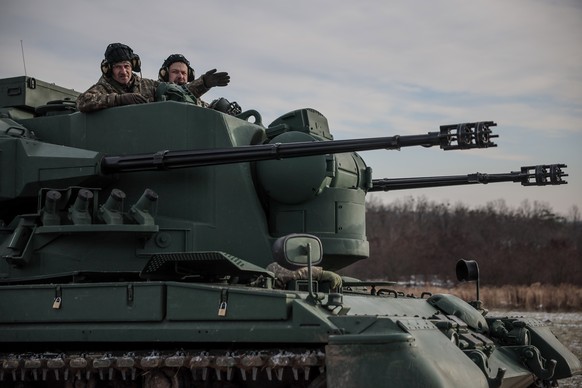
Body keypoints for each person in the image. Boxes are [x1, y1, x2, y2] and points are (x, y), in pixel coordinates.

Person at [76, 43, 208, 113]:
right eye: (118, 67)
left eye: (126, 66)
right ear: (109, 69)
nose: (123, 71)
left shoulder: (148, 85)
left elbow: (178, 93)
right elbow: (82, 102)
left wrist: (204, 83)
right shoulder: (103, 88)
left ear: (132, 66)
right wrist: (119, 99)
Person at [158, 53, 230, 98]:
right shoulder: (152, 90)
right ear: (165, 74)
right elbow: (176, 93)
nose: (180, 76)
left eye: (184, 73)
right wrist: (203, 83)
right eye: (175, 72)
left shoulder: (196, 101)